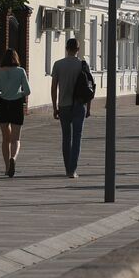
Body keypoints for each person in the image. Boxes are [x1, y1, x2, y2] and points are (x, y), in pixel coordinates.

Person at [49, 37, 90, 179]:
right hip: (79, 106)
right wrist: (88, 108)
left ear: (66, 49)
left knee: (66, 138)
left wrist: (55, 107)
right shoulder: (83, 65)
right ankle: (73, 170)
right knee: (77, 138)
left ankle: (67, 168)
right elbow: (89, 88)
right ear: (78, 49)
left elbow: (54, 88)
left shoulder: (58, 65)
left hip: (64, 105)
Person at [0, 49, 29, 177]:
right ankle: (13, 157)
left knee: (5, 139)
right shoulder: (20, 71)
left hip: (3, 106)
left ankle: (7, 167)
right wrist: (19, 93)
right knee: (16, 138)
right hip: (17, 105)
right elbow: (27, 91)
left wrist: (3, 94)